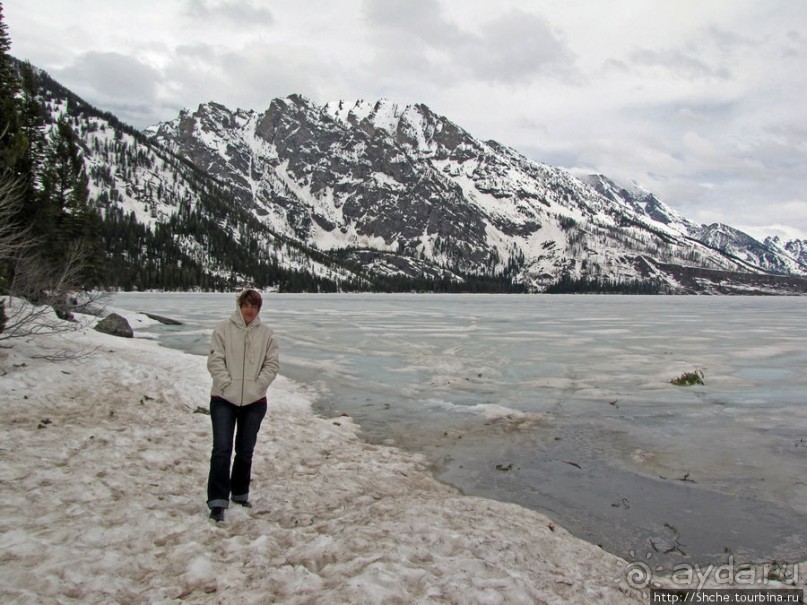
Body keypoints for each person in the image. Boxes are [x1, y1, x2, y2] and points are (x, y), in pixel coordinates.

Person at [206, 289, 279, 522]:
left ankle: (239, 493)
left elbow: (271, 364)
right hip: (223, 399)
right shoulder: (223, 330)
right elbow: (215, 361)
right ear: (239, 306)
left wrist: (257, 387)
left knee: (245, 450)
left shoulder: (267, 334)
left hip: (254, 401)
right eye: (246, 305)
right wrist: (226, 384)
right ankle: (217, 501)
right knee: (222, 449)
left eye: (254, 306)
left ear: (259, 309)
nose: (249, 310)